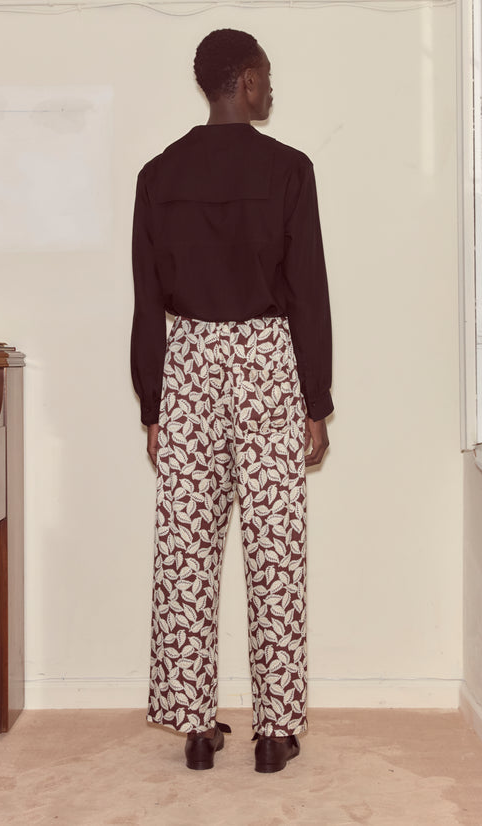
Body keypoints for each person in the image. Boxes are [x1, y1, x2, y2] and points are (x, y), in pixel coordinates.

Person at [131, 28, 333, 773]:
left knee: (188, 548)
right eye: (266, 78)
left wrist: (152, 405)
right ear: (243, 81)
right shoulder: (289, 170)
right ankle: (275, 733)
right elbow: (307, 291)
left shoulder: (158, 175)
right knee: (274, 550)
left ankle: (194, 728)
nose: (271, 91)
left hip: (186, 361)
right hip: (267, 361)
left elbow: (146, 301)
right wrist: (317, 398)